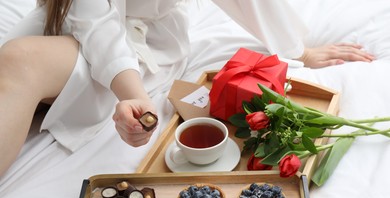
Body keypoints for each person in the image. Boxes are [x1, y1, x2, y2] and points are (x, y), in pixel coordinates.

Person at [0, 0, 374, 178]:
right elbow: (89, 16)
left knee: (21, 61)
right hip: (67, 27)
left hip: (131, 46)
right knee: (15, 63)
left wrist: (299, 50)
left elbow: (245, 1)